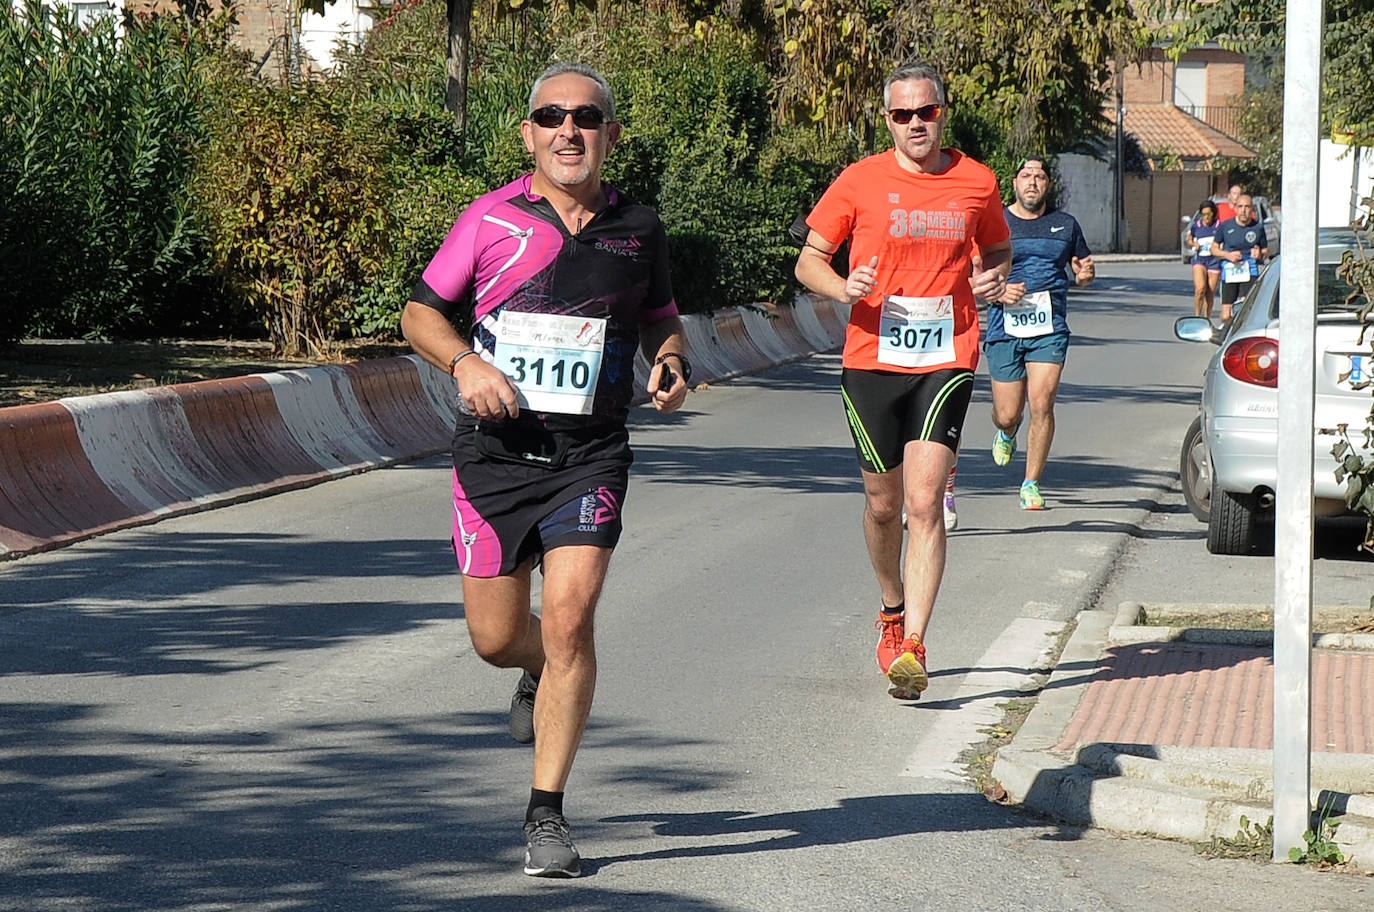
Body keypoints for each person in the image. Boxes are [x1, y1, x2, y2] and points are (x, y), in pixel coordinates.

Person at [400, 61, 689, 879]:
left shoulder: (640, 228)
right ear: (528, 133)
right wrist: (464, 365)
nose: (571, 130)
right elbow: (420, 311)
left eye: (588, 117)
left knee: (569, 620)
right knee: (497, 639)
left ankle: (547, 815)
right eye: (553, 116)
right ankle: (532, 670)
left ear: (610, 134)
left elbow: (663, 319)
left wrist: (670, 361)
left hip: (591, 456)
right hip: (495, 456)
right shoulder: (491, 219)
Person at [794, 61, 1011, 700]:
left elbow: (997, 249)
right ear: (887, 120)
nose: (916, 123)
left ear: (944, 113)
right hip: (871, 359)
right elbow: (809, 261)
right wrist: (842, 286)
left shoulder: (977, 181)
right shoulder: (860, 180)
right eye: (902, 114)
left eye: (927, 111)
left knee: (924, 502)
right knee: (884, 504)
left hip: (946, 356)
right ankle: (891, 607)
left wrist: (992, 277)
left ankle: (914, 643)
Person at [981, 157, 1094, 511]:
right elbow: (974, 273)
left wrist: (1085, 276)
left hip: (1049, 328)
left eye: (1040, 176)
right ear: (1013, 183)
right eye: (1026, 176)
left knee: (1042, 403)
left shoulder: (1066, 225)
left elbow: (1082, 269)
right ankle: (1006, 431)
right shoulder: (994, 221)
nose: (1033, 182)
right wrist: (999, 291)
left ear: (1048, 185)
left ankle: (1031, 483)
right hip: (1004, 325)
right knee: (1008, 412)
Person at [1215, 193, 1270, 323]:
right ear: (1235, 208)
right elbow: (1214, 249)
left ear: (1252, 209)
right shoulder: (1225, 226)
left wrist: (1260, 254)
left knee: (1246, 309)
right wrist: (1227, 255)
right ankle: (1228, 332)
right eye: (1240, 206)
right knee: (1226, 315)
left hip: (1249, 270)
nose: (1243, 210)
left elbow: (1266, 249)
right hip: (1230, 271)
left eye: (1247, 207)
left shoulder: (1257, 227)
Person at [1188, 200, 1222, 319]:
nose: (1206, 218)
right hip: (1200, 260)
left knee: (1210, 292)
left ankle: (1206, 317)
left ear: (1214, 213)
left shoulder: (1219, 226)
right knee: (1200, 288)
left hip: (1214, 261)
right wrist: (1194, 244)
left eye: (1209, 214)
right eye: (1204, 215)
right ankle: (1197, 315)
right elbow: (1190, 239)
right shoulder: (1196, 226)